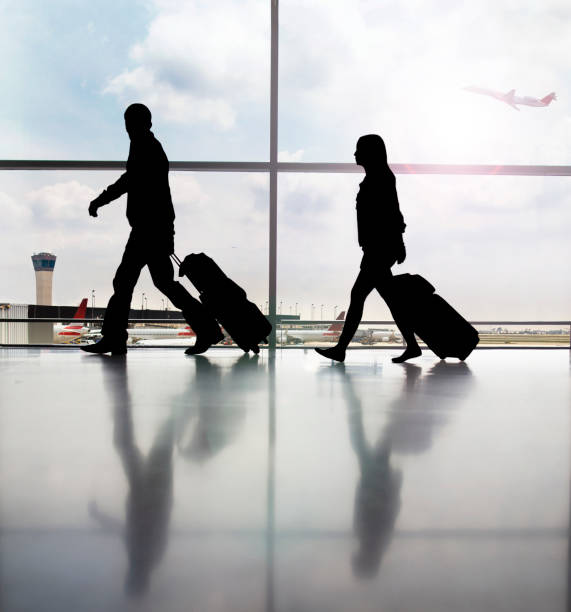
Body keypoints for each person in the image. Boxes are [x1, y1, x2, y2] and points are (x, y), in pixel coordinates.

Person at [81, 103, 223, 356]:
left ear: (139, 124)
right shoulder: (147, 145)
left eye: (130, 122)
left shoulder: (145, 147)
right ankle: (208, 329)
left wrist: (99, 200)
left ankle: (114, 338)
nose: (127, 127)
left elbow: (129, 181)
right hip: (154, 229)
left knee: (125, 282)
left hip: (148, 230)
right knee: (163, 284)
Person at [315, 134, 421, 363]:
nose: (354, 154)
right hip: (377, 248)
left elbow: (393, 213)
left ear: (370, 153)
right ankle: (412, 346)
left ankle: (341, 348)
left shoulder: (381, 177)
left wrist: (398, 243)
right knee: (390, 299)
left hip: (379, 249)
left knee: (358, 295)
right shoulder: (377, 177)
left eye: (358, 150)